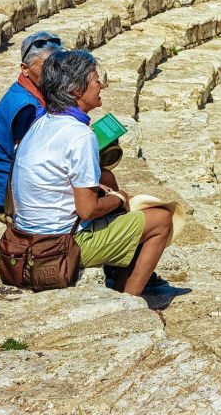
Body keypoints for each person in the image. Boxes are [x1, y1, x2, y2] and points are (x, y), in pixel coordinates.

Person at [11, 50, 172, 296]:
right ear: (77, 90)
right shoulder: (79, 135)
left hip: (26, 239)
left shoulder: (41, 122)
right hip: (57, 247)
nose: (101, 86)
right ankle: (128, 300)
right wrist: (119, 197)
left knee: (107, 187)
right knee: (161, 220)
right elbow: (87, 210)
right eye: (96, 80)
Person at [0, 32, 62, 224]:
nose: (53, 73)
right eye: (45, 67)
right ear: (25, 69)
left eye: (57, 66)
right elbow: (30, 160)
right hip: (13, 197)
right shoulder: (26, 107)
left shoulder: (32, 93)